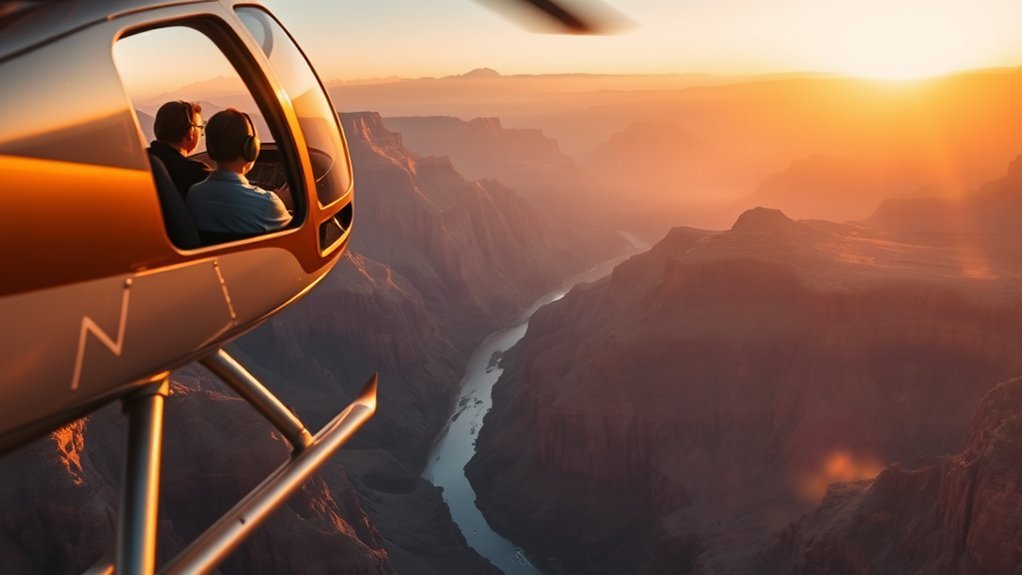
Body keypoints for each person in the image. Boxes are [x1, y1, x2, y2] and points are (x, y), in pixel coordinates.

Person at [186, 108, 292, 238]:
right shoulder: (267, 204)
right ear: (251, 149)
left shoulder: (194, 194)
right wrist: (283, 205)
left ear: (210, 148)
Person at [148, 100, 211, 199]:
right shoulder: (198, 175)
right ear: (190, 132)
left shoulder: (140, 161)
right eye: (200, 127)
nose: (201, 133)